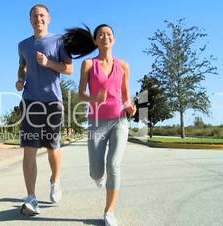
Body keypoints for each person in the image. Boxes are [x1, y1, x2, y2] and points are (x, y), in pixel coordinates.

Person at [63, 24, 136, 226]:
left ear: (114, 39)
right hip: (96, 122)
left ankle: (109, 212)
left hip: (119, 120)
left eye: (109, 34)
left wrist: (131, 108)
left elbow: (126, 96)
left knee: (114, 165)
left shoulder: (123, 66)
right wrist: (95, 98)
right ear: (95, 41)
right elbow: (80, 94)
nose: (105, 37)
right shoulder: (88, 64)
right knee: (97, 171)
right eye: (101, 35)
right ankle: (98, 176)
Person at [16, 4, 73, 216]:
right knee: (29, 149)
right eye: (34, 15)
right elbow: (21, 66)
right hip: (30, 101)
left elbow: (69, 68)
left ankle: (55, 180)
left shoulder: (59, 41)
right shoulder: (23, 45)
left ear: (48, 18)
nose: (38, 18)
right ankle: (31, 197)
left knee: (52, 146)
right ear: (30, 19)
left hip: (53, 101)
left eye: (42, 15)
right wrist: (20, 80)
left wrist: (49, 62)